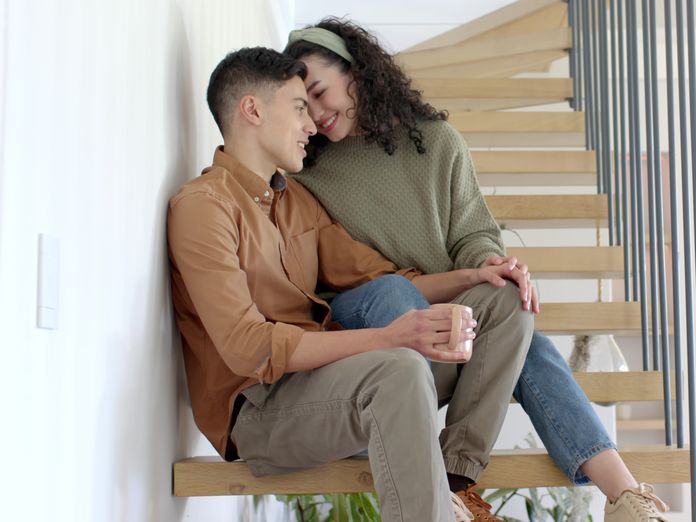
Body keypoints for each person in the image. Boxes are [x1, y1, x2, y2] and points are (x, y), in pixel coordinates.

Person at [284, 18, 670, 521]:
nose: (316, 114)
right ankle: (437, 472)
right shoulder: (305, 168)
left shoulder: (436, 141)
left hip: (451, 321)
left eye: (320, 92)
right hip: (369, 323)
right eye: (302, 105)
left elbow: (472, 232)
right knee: (397, 298)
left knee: (512, 303)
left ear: (356, 72)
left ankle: (616, 499)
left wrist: (490, 263)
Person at [168, 46, 535, 521]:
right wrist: (388, 338)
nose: (311, 125)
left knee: (503, 300)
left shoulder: (296, 203)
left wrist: (478, 275)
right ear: (253, 110)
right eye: (300, 108)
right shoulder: (204, 208)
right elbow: (248, 348)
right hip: (258, 408)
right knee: (398, 368)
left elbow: (377, 274)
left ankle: (455, 481)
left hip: (335, 384)